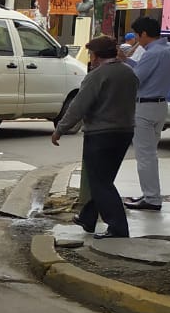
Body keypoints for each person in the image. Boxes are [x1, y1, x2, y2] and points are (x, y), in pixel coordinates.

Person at [51, 36, 138, 239]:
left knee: (100, 182)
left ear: (96, 56)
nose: (90, 57)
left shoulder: (97, 76)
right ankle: (88, 218)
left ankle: (117, 227)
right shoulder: (129, 73)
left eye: (91, 54)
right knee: (104, 179)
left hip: (100, 133)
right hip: (124, 131)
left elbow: (78, 106)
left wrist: (60, 129)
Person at [125, 16, 170, 211]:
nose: (138, 41)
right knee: (151, 153)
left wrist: (124, 65)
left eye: (138, 37)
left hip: (144, 106)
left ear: (144, 34)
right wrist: (129, 61)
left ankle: (151, 198)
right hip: (160, 105)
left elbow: (136, 79)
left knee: (145, 156)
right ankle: (151, 194)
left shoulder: (151, 54)